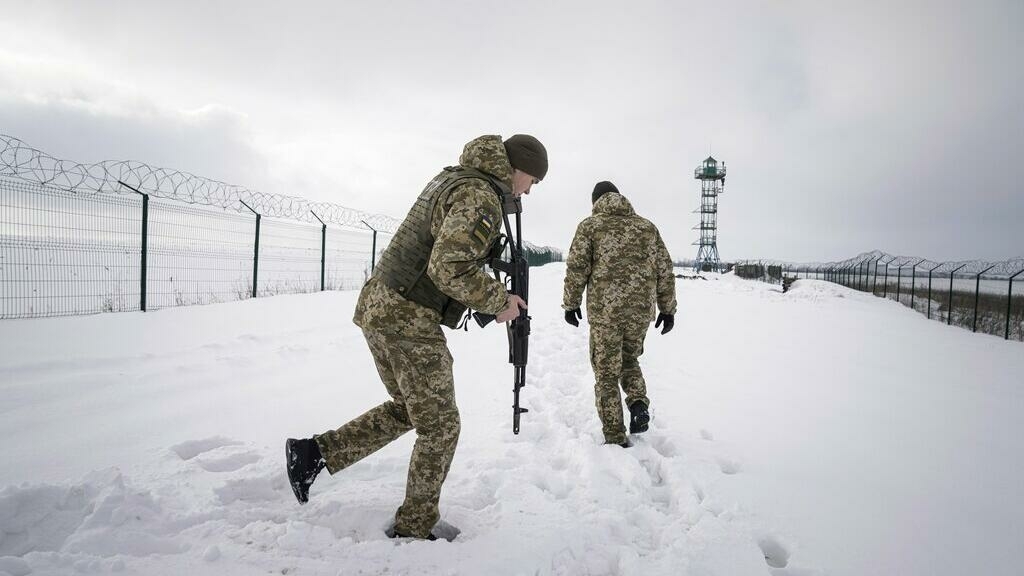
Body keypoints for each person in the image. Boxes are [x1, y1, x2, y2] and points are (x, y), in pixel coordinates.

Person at [284, 134, 547, 541]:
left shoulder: (458, 179)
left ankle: (312, 455)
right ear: (518, 168)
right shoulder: (479, 195)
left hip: (384, 307)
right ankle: (414, 528)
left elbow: (443, 259)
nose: (529, 189)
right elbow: (448, 267)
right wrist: (498, 301)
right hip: (405, 316)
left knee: (412, 410)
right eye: (531, 179)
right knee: (441, 425)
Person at [562, 181, 676, 447]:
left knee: (606, 375)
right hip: (639, 313)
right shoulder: (647, 228)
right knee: (629, 360)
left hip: (606, 314)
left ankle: (615, 436)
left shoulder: (590, 226)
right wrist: (667, 309)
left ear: (595, 202)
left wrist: (571, 303)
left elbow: (577, 268)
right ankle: (638, 403)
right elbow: (664, 270)